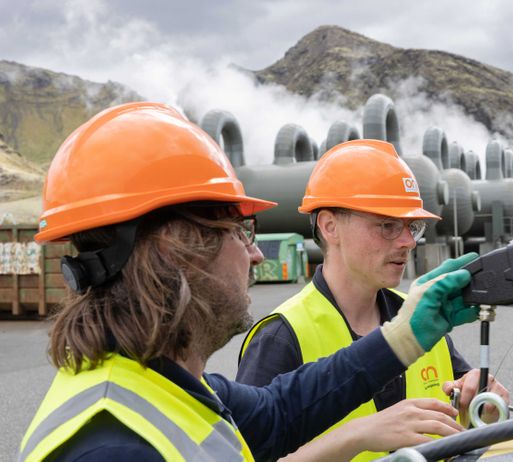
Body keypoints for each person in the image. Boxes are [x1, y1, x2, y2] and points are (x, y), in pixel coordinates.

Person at [18, 102, 482, 462]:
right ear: (176, 250)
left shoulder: (165, 387)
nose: (257, 253)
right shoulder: (113, 446)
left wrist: (407, 332)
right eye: (241, 232)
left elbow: (281, 409)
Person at [237, 139, 509, 460]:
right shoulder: (281, 337)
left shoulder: (420, 317)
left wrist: (481, 410)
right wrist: (359, 435)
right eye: (388, 225)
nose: (408, 242)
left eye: (412, 226)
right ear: (329, 226)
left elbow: (457, 422)